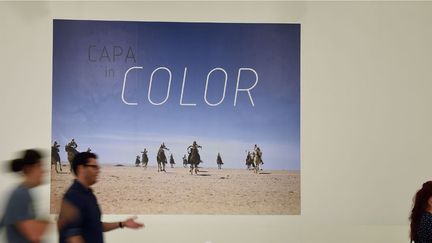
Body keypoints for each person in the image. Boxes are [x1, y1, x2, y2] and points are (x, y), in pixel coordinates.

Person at [58, 152, 144, 243]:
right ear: (81, 169)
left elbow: (96, 226)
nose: (98, 170)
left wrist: (122, 224)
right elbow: (72, 236)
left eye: (98, 167)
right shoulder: (73, 196)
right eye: (94, 167)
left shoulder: (89, 195)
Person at [1, 149, 50, 243]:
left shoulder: (23, 193)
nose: (43, 171)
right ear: (29, 169)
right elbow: (35, 234)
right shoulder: (20, 194)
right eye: (40, 166)